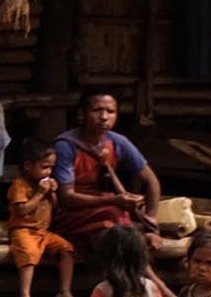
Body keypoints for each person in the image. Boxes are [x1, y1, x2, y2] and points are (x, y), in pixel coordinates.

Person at [52, 90, 164, 258]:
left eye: (110, 112)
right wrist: (114, 200)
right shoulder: (66, 145)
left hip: (109, 209)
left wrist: (151, 218)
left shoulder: (117, 142)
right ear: (82, 114)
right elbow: (66, 197)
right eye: (97, 110)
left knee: (120, 223)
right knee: (116, 223)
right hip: (72, 212)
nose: (104, 117)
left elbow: (151, 180)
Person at [7, 149, 72, 297]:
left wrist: (52, 193)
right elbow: (22, 210)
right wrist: (40, 194)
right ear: (28, 166)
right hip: (23, 230)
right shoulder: (20, 185)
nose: (48, 172)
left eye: (51, 168)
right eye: (44, 167)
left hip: (43, 232)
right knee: (28, 255)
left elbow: (56, 208)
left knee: (67, 250)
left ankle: (65, 291)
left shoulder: (45, 185)